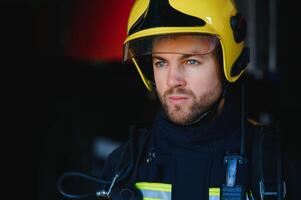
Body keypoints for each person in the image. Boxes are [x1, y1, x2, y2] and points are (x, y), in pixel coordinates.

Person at [57, 0, 297, 199]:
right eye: (161, 62)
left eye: (191, 60)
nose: (173, 80)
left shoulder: (274, 165)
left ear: (228, 61)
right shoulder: (123, 165)